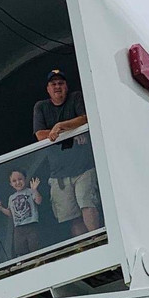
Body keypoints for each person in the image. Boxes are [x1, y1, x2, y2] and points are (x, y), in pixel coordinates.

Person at [33, 69, 100, 236]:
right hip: (59, 173)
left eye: (61, 83)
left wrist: (60, 127)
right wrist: (72, 131)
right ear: (48, 89)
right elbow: (40, 135)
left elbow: (84, 118)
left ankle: (96, 238)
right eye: (53, 84)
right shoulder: (41, 107)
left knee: (87, 205)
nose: (57, 86)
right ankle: (87, 247)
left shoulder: (75, 98)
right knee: (72, 216)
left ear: (66, 86)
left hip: (83, 167)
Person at [0, 169, 43, 257]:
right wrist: (1, 208)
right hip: (18, 228)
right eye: (14, 181)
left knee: (35, 248)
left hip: (31, 224)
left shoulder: (30, 191)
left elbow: (38, 201)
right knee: (20, 251)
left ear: (25, 179)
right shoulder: (11, 198)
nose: (17, 182)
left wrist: (34, 190)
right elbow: (11, 214)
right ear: (11, 184)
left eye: (20, 179)